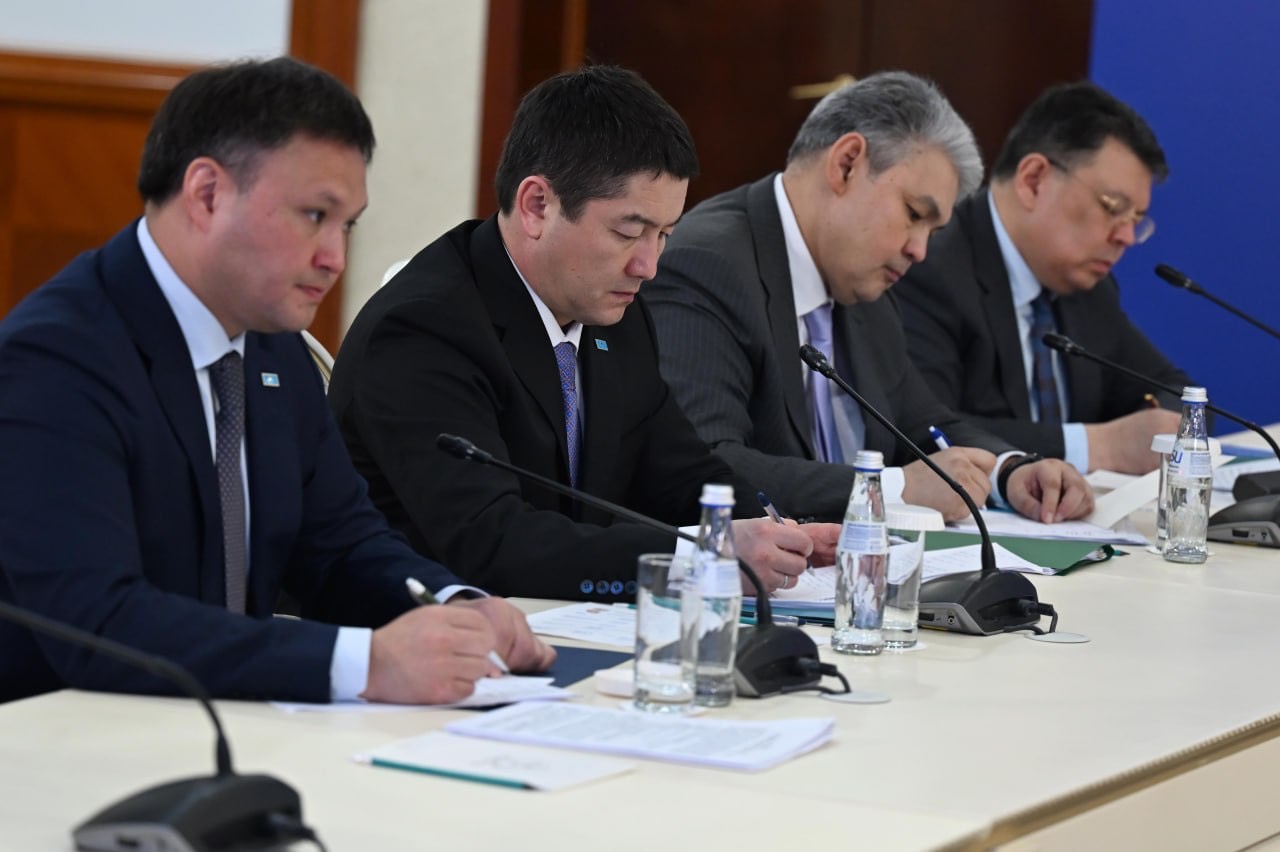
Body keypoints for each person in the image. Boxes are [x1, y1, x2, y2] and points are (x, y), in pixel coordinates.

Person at [0, 57, 554, 706]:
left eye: (347, 224)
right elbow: (99, 623)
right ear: (207, 194)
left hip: (232, 722)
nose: (335, 258)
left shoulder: (270, 344)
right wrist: (365, 664)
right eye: (314, 215)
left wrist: (455, 607)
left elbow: (340, 546)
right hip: (65, 735)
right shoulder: (56, 358)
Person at [329, 66, 835, 603]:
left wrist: (778, 533)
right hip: (419, 628)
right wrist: (701, 557)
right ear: (537, 206)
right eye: (628, 232)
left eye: (664, 235)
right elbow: (491, 543)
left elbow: (681, 472)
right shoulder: (423, 330)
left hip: (559, 620)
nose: (648, 266)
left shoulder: (614, 314)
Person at [644, 71, 1093, 525]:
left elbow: (924, 423)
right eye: (913, 214)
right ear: (847, 164)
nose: (919, 250)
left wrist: (1009, 471)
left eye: (932, 231)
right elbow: (709, 465)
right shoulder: (709, 265)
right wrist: (893, 489)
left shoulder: (863, 285)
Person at [894, 81, 1193, 474]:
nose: (1125, 236)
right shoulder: (930, 268)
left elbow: (1174, 391)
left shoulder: (1088, 288)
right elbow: (922, 430)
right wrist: (1096, 447)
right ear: (1033, 180)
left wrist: (1159, 427)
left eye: (1135, 219)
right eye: (1113, 207)